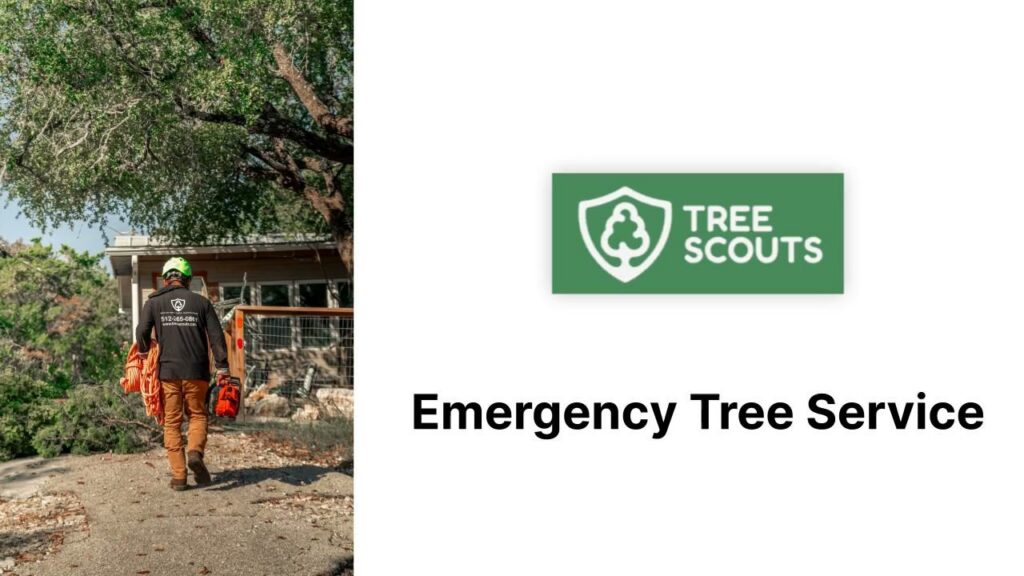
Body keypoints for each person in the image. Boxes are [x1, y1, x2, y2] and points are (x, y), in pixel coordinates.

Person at [137, 257, 230, 491]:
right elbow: (217, 338)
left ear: (166, 277)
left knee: (172, 422)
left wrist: (143, 353)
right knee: (197, 415)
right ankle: (195, 452)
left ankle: (179, 477)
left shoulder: (154, 303)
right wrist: (223, 368)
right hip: (197, 371)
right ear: (187, 279)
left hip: (168, 371)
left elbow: (142, 332)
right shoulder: (201, 303)